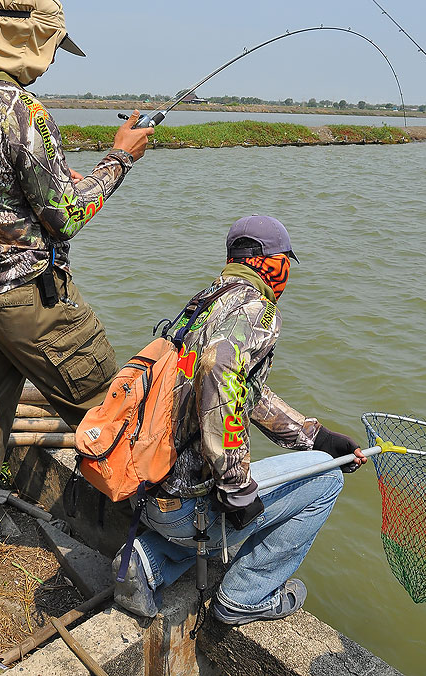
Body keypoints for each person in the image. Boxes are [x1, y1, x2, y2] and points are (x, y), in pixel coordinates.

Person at [0, 0, 153, 600]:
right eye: (51, 44)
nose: (51, 58)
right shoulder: (21, 109)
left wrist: (51, 184)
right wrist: (119, 159)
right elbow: (66, 216)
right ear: (30, 40)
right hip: (26, 298)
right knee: (115, 411)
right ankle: (165, 545)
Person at [112, 214, 367, 624]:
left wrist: (315, 438)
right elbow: (217, 373)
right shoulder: (254, 308)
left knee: (320, 457)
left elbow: (242, 390)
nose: (287, 273)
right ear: (269, 262)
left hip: (152, 498)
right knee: (326, 479)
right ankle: (245, 597)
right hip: (193, 511)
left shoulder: (208, 299)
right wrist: (236, 485)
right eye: (285, 260)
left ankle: (147, 560)